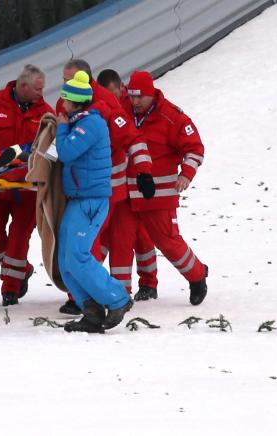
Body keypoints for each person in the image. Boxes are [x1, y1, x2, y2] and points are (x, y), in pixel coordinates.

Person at [56, 71, 133, 334]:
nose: (61, 103)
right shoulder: (79, 121)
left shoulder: (91, 124)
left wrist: (61, 126)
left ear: (75, 102)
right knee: (65, 260)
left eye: (65, 99)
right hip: (80, 198)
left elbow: (65, 152)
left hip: (90, 200)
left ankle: (118, 298)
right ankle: (90, 309)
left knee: (77, 255)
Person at [124, 71, 208, 304]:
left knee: (168, 242)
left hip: (159, 196)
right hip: (128, 193)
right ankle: (147, 286)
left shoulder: (173, 118)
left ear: (152, 94)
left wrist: (186, 175)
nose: (135, 102)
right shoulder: (124, 111)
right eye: (132, 97)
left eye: (140, 97)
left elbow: (195, 149)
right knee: (137, 241)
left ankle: (197, 275)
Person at [0, 64, 54, 306]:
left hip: (26, 188)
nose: (42, 93)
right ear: (23, 86)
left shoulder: (46, 113)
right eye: (38, 89)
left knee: (19, 237)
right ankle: (21, 270)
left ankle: (10, 289)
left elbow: (52, 148)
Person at [97, 68, 159, 301]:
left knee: (142, 237)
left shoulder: (134, 102)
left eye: (115, 94)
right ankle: (107, 286)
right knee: (110, 237)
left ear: (121, 88)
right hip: (118, 184)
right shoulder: (105, 108)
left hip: (138, 180)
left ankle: (148, 283)